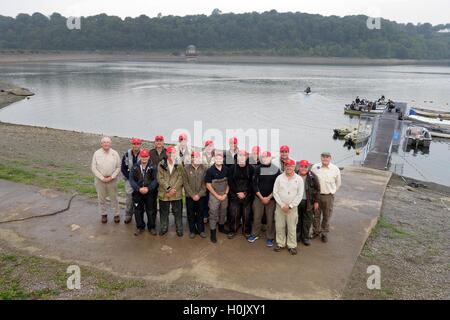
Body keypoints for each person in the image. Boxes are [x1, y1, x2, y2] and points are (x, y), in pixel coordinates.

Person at [247, 151, 281, 247]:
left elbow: (277, 186)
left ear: (271, 158)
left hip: (271, 199)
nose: (265, 158)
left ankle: (270, 237)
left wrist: (269, 197)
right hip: (259, 198)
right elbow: (254, 184)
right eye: (264, 157)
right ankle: (254, 234)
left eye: (267, 157)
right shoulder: (258, 169)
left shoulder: (276, 170)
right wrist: (261, 197)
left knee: (270, 219)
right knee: (257, 216)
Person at [273, 158, 304, 255]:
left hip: (292, 208)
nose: (289, 167)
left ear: (294, 167)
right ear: (284, 166)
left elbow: (300, 195)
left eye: (291, 166)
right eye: (287, 165)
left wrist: (290, 206)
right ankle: (280, 243)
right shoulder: (279, 178)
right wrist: (282, 205)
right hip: (280, 207)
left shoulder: (299, 179)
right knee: (279, 226)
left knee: (292, 227)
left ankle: (292, 245)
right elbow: (275, 192)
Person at [311, 152, 342, 243]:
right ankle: (316, 231)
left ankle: (324, 233)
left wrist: (332, 192)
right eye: (323, 157)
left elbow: (338, 183)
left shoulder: (335, 169)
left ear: (330, 158)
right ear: (321, 157)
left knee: (326, 215)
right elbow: (311, 180)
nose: (325, 159)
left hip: (328, 196)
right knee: (316, 215)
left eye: (327, 157)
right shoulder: (315, 167)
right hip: (316, 195)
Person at [91, 136, 121, 224]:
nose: (106, 144)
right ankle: (103, 214)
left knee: (114, 198)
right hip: (100, 180)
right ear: (101, 144)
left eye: (107, 142)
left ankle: (116, 214)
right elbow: (93, 167)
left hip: (112, 179)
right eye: (104, 142)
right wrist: (101, 177)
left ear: (110, 143)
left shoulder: (115, 153)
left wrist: (112, 177)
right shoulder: (96, 153)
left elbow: (118, 167)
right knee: (101, 198)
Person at [129, 149, 158, 236]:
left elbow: (156, 180)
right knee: (138, 210)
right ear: (140, 157)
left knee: (150, 210)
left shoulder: (153, 167)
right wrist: (138, 189)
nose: (144, 158)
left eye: (146, 156)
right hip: (138, 192)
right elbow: (131, 180)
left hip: (149, 192)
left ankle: (151, 227)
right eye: (142, 156)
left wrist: (148, 189)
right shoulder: (135, 167)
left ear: (148, 157)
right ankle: (140, 227)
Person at [157, 146, 184, 236]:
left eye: (173, 153)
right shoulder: (161, 164)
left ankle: (179, 228)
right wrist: (168, 189)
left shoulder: (179, 164)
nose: (171, 155)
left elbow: (181, 178)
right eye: (169, 153)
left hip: (176, 193)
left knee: (178, 212)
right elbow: (159, 178)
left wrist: (173, 190)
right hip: (164, 193)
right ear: (167, 153)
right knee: (164, 212)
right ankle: (164, 227)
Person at [227, 150, 255, 239]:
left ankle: (246, 231)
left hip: (247, 195)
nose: (242, 157)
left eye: (244, 156)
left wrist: (245, 193)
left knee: (247, 214)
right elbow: (230, 182)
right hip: (234, 194)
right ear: (237, 157)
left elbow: (252, 183)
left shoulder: (251, 168)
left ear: (246, 157)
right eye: (240, 155)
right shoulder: (232, 168)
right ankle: (233, 230)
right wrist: (237, 192)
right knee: (234, 213)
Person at [205, 151, 229, 243]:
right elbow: (208, 185)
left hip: (224, 195)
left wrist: (225, 194)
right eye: (217, 158)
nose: (219, 160)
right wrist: (217, 196)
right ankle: (213, 232)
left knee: (223, 212)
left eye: (220, 158)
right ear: (214, 159)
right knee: (213, 214)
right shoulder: (210, 170)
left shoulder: (226, 170)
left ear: (223, 159)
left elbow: (228, 183)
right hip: (214, 195)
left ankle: (221, 228)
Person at [182, 151, 207, 239]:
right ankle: (192, 230)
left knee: (200, 213)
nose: (195, 159)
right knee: (190, 214)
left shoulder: (204, 168)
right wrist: (192, 195)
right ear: (191, 158)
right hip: (190, 196)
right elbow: (185, 183)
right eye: (194, 157)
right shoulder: (186, 168)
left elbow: (205, 184)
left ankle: (201, 230)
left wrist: (199, 195)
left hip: (201, 196)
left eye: (197, 157)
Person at [296, 160, 320, 246]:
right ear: (299, 167)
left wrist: (316, 201)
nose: (303, 168)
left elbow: (317, 189)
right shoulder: (294, 174)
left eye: (305, 167)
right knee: (297, 220)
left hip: (309, 202)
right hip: (296, 202)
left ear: (308, 167)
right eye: (302, 166)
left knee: (307, 221)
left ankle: (305, 238)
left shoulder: (312, 176)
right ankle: (297, 236)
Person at [121, 138, 142, 224]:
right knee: (129, 198)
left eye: (137, 144)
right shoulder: (126, 154)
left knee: (140, 198)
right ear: (132, 144)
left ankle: (139, 216)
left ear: (140, 145)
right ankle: (128, 215)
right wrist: (130, 178)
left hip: (140, 180)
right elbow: (123, 168)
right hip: (129, 179)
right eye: (134, 144)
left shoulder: (144, 154)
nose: (136, 145)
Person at [149, 135, 167, 231]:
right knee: (152, 203)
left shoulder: (167, 152)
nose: (159, 142)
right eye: (157, 141)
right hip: (152, 181)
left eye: (160, 140)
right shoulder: (151, 152)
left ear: (163, 142)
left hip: (163, 181)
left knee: (164, 203)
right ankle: (152, 224)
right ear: (154, 142)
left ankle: (164, 224)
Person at [202, 139, 216, 224]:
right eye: (208, 146)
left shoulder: (216, 156)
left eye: (211, 146)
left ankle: (212, 217)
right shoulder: (200, 156)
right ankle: (205, 216)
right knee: (204, 200)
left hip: (213, 183)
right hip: (203, 182)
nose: (209, 147)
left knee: (212, 200)